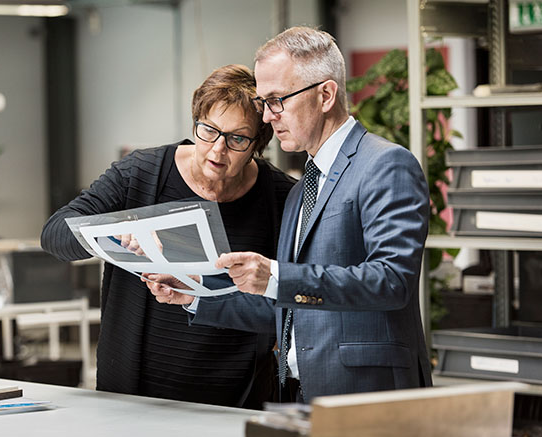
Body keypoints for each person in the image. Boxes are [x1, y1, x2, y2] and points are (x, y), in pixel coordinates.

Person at [147, 27, 432, 403]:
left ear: (326, 94)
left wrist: (277, 275)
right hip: (297, 395)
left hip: (366, 396)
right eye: (264, 102)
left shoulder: (385, 165)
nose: (266, 117)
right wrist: (195, 293)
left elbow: (392, 280)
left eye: (277, 100)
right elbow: (288, 307)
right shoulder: (300, 190)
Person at [41, 64, 296, 408]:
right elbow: (55, 233)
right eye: (208, 130)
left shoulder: (281, 197)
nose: (218, 150)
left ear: (258, 144)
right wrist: (114, 232)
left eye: (237, 138)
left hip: (237, 398)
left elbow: (290, 308)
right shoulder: (141, 174)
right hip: (133, 395)